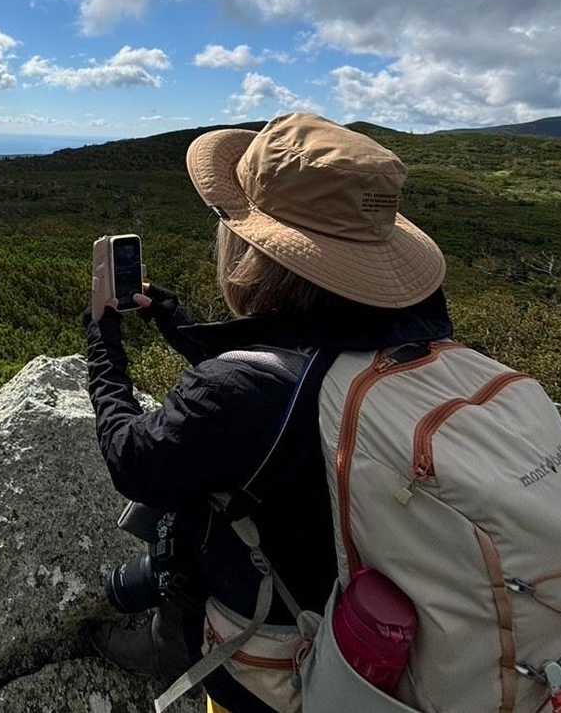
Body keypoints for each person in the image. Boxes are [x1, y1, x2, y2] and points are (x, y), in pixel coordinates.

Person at [83, 113, 452, 713]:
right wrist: (175, 321)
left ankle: (175, 640)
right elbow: (289, 372)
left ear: (254, 250)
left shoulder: (237, 393)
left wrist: (103, 342)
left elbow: (132, 458)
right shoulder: (417, 337)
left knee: (198, 500)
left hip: (277, 647)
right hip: (375, 602)